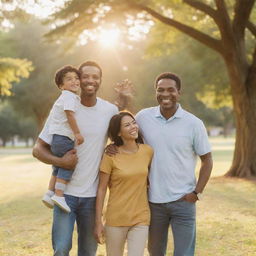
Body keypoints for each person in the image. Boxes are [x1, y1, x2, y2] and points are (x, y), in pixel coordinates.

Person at [33, 61, 122, 256]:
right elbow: (38, 149)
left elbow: (126, 135)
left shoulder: (109, 111)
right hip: (64, 195)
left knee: (88, 252)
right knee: (61, 249)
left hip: (92, 197)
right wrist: (61, 162)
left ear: (100, 81)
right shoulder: (64, 108)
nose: (90, 80)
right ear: (77, 80)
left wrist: (113, 146)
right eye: (85, 76)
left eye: (95, 77)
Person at [135, 72, 213, 256]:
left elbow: (207, 160)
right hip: (153, 201)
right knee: (155, 251)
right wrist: (112, 148)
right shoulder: (143, 117)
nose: (165, 94)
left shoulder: (194, 123)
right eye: (160, 90)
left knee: (184, 253)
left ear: (179, 93)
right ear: (156, 92)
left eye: (171, 90)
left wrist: (196, 192)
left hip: (183, 202)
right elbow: (123, 131)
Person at [94, 112, 153, 256]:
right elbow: (101, 189)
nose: (133, 127)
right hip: (116, 218)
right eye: (127, 125)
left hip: (140, 218)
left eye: (134, 122)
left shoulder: (147, 151)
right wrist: (98, 222)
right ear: (118, 132)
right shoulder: (110, 155)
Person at [42, 65, 84, 213]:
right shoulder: (69, 96)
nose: (74, 81)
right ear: (61, 85)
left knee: (57, 168)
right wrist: (77, 133)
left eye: (76, 78)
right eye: (69, 79)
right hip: (64, 139)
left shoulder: (64, 97)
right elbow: (70, 114)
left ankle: (49, 193)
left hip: (56, 140)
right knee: (68, 165)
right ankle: (59, 195)